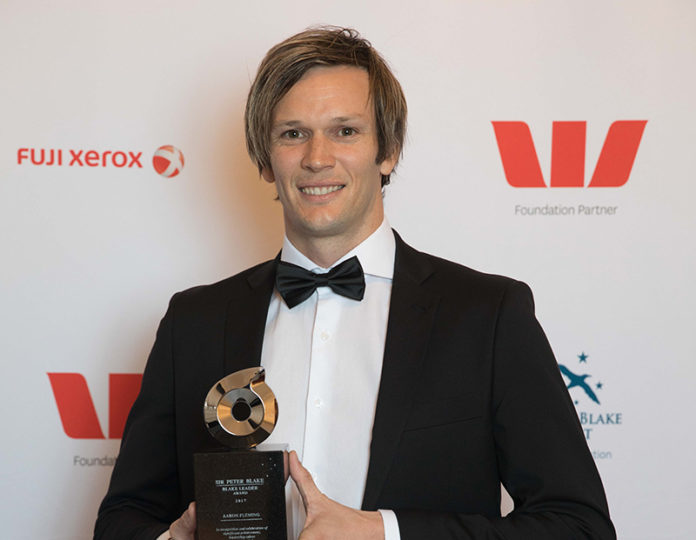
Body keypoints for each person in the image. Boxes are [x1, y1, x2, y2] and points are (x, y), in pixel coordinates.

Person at [95, 27, 616, 540]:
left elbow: (578, 525)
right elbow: (122, 520)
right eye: (292, 133)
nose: (317, 157)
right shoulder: (195, 322)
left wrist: (385, 533)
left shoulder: (487, 314)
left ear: (387, 151)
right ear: (264, 160)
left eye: (345, 131)